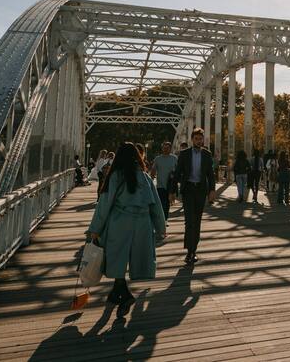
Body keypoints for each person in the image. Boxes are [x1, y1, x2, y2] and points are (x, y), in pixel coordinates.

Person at [85, 143, 167, 310]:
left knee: (117, 257)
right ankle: (117, 293)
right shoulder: (145, 177)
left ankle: (124, 294)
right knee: (136, 257)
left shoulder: (116, 176)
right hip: (142, 222)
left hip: (120, 221)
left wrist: (95, 229)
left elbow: (105, 204)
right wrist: (161, 227)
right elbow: (156, 205)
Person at [173, 128, 217, 264]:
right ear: (192, 139)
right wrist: (172, 191)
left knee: (197, 221)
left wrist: (212, 191)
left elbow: (210, 174)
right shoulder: (184, 154)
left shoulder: (207, 154)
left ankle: (194, 250)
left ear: (203, 140)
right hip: (188, 190)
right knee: (189, 221)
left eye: (200, 139)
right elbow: (177, 172)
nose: (198, 141)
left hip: (200, 190)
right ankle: (189, 251)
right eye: (196, 139)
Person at [150, 142, 179, 213]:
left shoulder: (174, 158)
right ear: (162, 149)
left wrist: (176, 178)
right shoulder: (157, 159)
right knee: (162, 202)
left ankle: (165, 219)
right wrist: (151, 180)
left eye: (167, 148)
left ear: (170, 149)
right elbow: (153, 170)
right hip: (160, 185)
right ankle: (164, 219)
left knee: (167, 203)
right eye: (164, 148)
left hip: (170, 185)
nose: (166, 149)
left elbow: (178, 170)